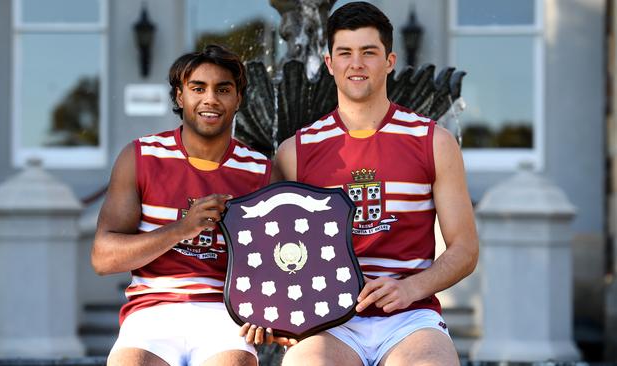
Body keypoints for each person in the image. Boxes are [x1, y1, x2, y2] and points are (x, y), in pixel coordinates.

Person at [247, 2, 479, 365]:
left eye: (369, 52)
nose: (356, 64)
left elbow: (465, 249)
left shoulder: (434, 141)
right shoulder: (296, 152)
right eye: (345, 53)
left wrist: (410, 288)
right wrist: (270, 310)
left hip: (410, 317)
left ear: (389, 61)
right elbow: (271, 249)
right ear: (329, 64)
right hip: (329, 321)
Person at [92, 44, 272, 366]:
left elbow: (275, 260)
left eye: (223, 89)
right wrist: (181, 229)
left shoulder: (259, 170)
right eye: (198, 88)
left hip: (224, 313)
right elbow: (103, 257)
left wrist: (268, 309)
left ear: (238, 99)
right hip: (151, 311)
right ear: (179, 96)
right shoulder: (142, 157)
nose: (210, 99)